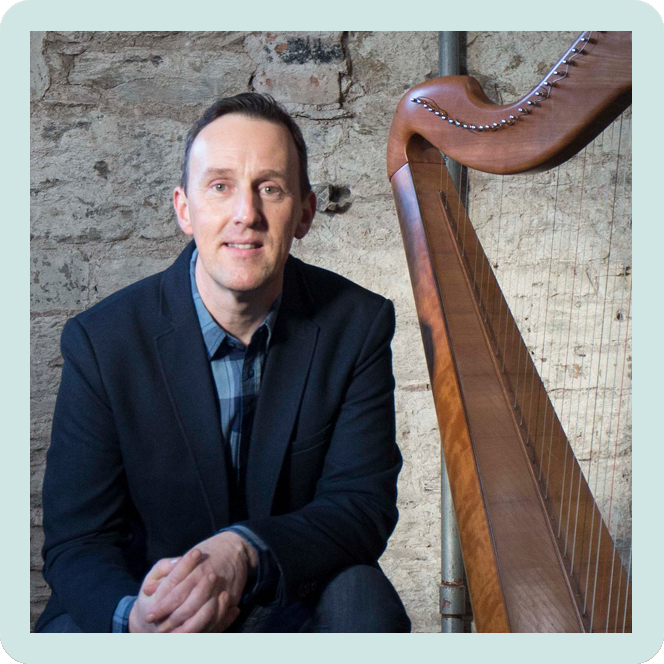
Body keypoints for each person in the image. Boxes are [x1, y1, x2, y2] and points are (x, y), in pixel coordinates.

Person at [36, 93, 410, 633]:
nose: (246, 215)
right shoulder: (102, 341)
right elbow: (79, 540)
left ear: (304, 214)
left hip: (287, 594)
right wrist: (135, 619)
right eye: (220, 186)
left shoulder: (357, 324)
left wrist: (243, 550)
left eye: (270, 188)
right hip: (146, 595)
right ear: (184, 210)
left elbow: (360, 506)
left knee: (362, 596)